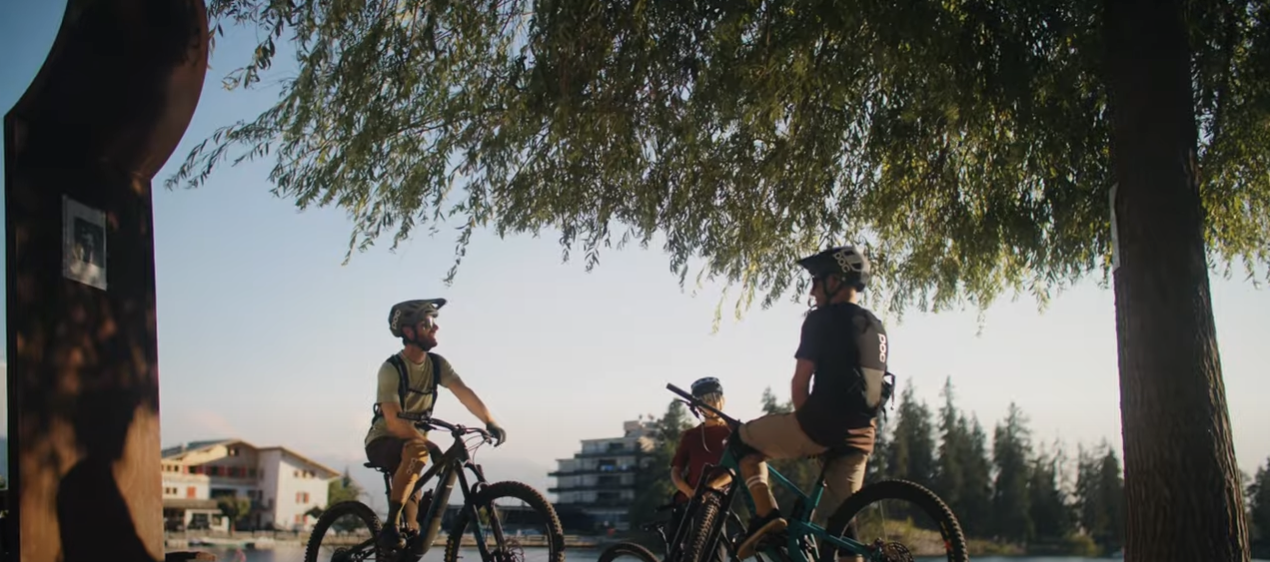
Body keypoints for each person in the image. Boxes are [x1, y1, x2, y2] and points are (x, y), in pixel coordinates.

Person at [731, 246, 889, 561]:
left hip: (820, 426)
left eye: (816, 280)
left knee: (740, 441)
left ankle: (767, 516)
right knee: (844, 526)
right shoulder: (877, 326)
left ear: (835, 280)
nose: (812, 289)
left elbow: (799, 382)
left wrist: (809, 430)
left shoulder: (821, 319)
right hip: (861, 436)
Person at [364, 298, 508, 553]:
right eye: (427, 323)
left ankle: (400, 533)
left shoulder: (437, 364)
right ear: (408, 332)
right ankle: (389, 525)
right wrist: (429, 445)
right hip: (384, 440)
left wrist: (489, 420)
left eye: (435, 323)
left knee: (413, 537)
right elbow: (394, 421)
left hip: (414, 445)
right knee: (417, 451)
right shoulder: (391, 369)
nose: (435, 328)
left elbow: (463, 392)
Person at [670, 377, 733, 560]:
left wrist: (711, 486)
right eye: (706, 401)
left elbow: (735, 470)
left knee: (716, 555)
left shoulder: (733, 432)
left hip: (715, 503)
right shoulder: (692, 436)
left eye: (715, 398)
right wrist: (688, 491)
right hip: (687, 503)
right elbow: (675, 470)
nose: (711, 404)